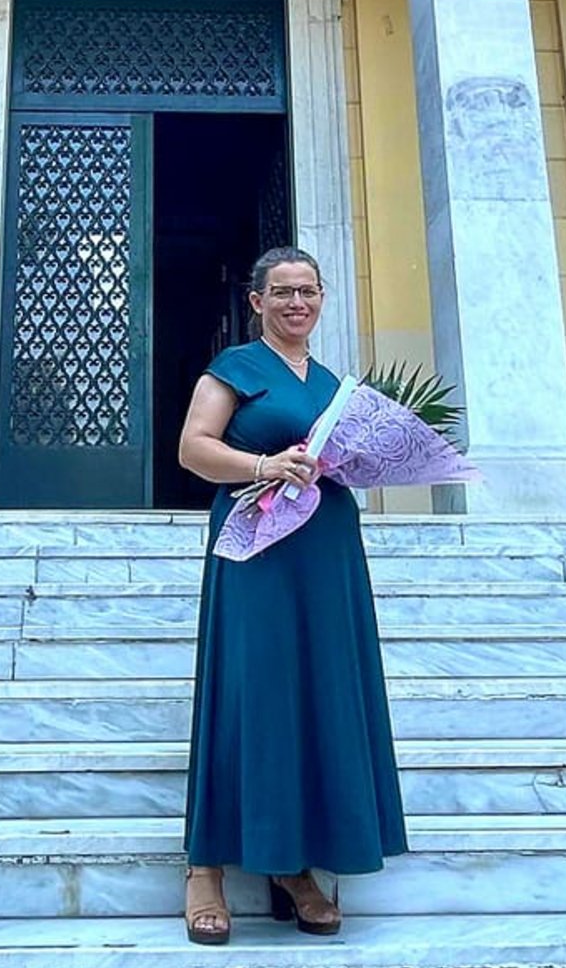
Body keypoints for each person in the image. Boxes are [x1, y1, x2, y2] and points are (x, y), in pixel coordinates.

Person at [177, 246, 408, 945]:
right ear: (257, 302)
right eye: (282, 292)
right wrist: (264, 464)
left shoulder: (334, 383)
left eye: (307, 291)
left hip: (326, 550)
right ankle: (205, 869)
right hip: (258, 549)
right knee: (251, 689)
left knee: (317, 691)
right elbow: (193, 448)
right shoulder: (235, 369)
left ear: (322, 298)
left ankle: (293, 867)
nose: (296, 303)